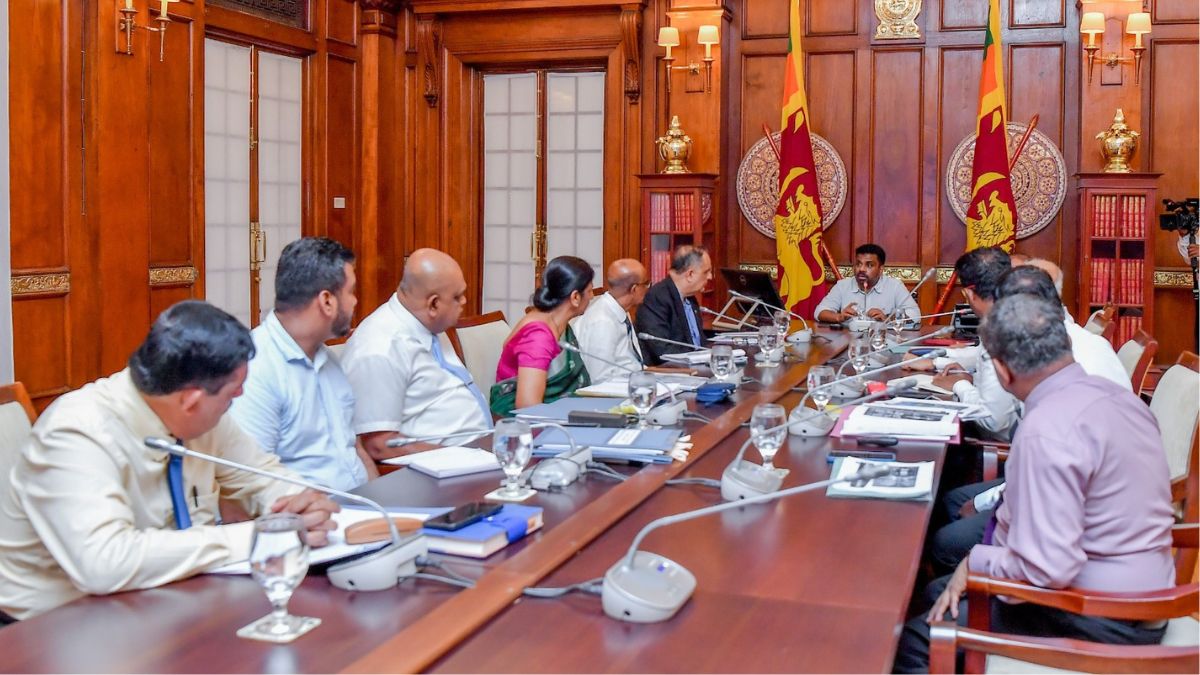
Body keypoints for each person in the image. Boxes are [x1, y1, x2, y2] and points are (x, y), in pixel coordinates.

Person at [0, 301, 339, 622]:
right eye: (232, 393)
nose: (237, 400)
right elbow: (105, 562)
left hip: (168, 600)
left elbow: (260, 474)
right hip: (55, 624)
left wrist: (299, 505)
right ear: (191, 401)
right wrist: (257, 536)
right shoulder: (76, 433)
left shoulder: (202, 417)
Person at [893, 294, 1174, 672]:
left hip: (1102, 615)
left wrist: (978, 561)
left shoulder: (1047, 428)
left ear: (1002, 370)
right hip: (1145, 589)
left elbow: (1047, 568)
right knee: (935, 592)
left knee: (914, 642)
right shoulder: (1118, 398)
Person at [928, 264, 1134, 574]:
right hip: (1099, 507)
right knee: (954, 502)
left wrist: (985, 515)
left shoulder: (1051, 382)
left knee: (947, 543)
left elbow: (1049, 490)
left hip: (1081, 538)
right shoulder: (1077, 346)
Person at [229, 237, 374, 492]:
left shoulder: (328, 360)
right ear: (326, 301)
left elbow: (355, 448)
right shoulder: (256, 370)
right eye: (351, 292)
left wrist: (385, 504)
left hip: (363, 506)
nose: (355, 302)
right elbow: (249, 481)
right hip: (309, 513)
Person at [340, 249, 492, 460]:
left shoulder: (428, 323)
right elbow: (379, 445)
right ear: (433, 304)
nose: (464, 301)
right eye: (457, 297)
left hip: (478, 450)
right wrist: (461, 457)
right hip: (440, 466)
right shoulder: (380, 347)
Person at [905, 247, 1019, 441]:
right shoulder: (1010, 315)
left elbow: (992, 420)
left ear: (969, 294)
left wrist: (960, 385)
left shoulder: (1001, 331)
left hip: (996, 446)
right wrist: (960, 374)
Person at [490, 256, 594, 416]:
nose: (592, 296)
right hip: (523, 422)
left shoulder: (558, 322)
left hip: (559, 411)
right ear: (575, 297)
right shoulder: (538, 337)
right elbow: (528, 407)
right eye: (590, 291)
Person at [573, 259, 649, 382]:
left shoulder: (620, 310)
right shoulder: (602, 322)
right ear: (634, 289)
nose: (648, 288)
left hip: (634, 381)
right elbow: (600, 378)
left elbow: (633, 364)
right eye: (646, 284)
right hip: (617, 390)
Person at [635, 245, 713, 365]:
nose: (710, 277)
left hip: (697, 366)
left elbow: (698, 342)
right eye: (706, 272)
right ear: (690, 274)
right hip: (672, 370)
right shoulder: (657, 298)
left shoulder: (690, 298)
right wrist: (699, 358)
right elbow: (662, 349)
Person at [815, 244, 920, 325]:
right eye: (858, 264)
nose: (861, 269)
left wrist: (887, 318)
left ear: (881, 269)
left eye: (869, 265)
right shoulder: (842, 286)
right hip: (849, 341)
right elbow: (819, 312)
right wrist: (839, 317)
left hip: (882, 341)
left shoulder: (894, 286)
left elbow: (915, 315)